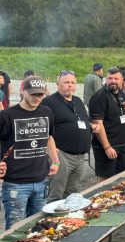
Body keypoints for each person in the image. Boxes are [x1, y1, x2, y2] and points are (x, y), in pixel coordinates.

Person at [0, 76, 60, 228]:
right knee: (15, 230)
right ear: (22, 91)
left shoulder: (47, 112)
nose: (37, 98)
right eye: (33, 94)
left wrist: (55, 160)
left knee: (39, 227)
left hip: (41, 180)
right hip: (15, 184)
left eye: (40, 94)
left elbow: (48, 137)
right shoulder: (7, 116)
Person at [43, 71, 94, 201]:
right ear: (57, 84)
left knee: (73, 192)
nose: (69, 85)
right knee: (57, 189)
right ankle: (49, 219)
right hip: (61, 154)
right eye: (66, 82)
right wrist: (49, 150)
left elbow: (80, 121)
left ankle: (67, 219)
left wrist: (91, 126)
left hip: (80, 155)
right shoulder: (48, 102)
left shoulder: (77, 101)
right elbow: (42, 128)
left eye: (72, 82)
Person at [89, 68, 125, 181]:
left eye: (116, 78)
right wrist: (107, 147)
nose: (112, 81)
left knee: (120, 177)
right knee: (105, 180)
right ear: (105, 80)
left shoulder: (121, 93)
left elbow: (119, 114)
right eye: (110, 78)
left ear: (122, 80)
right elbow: (97, 124)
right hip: (107, 147)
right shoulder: (99, 97)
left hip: (122, 144)